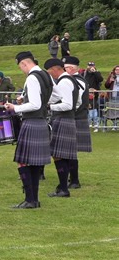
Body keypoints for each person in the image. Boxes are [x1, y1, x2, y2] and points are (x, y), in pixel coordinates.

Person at [4, 52, 52, 208]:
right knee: (35, 163)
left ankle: (30, 200)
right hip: (41, 122)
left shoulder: (32, 78)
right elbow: (48, 98)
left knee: (23, 162)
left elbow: (36, 105)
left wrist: (15, 107)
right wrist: (25, 98)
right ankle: (34, 200)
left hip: (31, 121)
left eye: (20, 67)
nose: (21, 70)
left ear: (24, 63)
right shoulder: (45, 75)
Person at [44, 58, 79, 198]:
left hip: (62, 119)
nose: (49, 75)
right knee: (62, 155)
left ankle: (64, 189)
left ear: (55, 69)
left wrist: (49, 107)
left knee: (59, 156)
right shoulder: (71, 80)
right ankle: (62, 186)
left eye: (49, 72)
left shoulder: (64, 82)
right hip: (67, 119)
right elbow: (79, 102)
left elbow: (67, 105)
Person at [65, 56, 91, 189]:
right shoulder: (72, 80)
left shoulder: (77, 81)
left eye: (65, 68)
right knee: (69, 150)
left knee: (71, 150)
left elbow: (78, 101)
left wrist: (68, 110)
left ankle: (74, 180)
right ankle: (72, 178)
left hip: (76, 117)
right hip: (75, 117)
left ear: (70, 68)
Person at [82, 62, 103, 130]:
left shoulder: (97, 73)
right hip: (85, 94)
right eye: (89, 66)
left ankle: (95, 124)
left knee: (94, 109)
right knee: (87, 109)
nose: (91, 67)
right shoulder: (84, 73)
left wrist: (95, 72)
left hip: (94, 95)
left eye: (92, 66)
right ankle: (88, 123)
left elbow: (100, 79)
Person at [104, 65, 119, 129]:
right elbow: (106, 86)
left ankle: (116, 125)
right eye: (116, 69)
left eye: (118, 69)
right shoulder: (111, 76)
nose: (117, 71)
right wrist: (110, 81)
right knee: (113, 110)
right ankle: (114, 125)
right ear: (114, 70)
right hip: (113, 96)